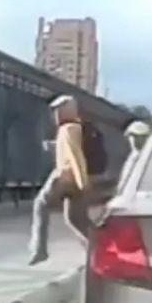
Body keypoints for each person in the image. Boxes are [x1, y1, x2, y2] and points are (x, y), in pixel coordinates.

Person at [27, 95, 93, 266]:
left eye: (60, 110)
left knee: (40, 204)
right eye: (55, 111)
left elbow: (76, 155)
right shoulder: (74, 128)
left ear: (69, 110)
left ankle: (39, 249)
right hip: (73, 179)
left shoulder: (68, 129)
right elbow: (69, 149)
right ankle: (98, 248)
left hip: (64, 176)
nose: (56, 115)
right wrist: (54, 146)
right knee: (75, 219)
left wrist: (82, 181)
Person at [117, 120, 152, 190]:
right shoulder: (133, 155)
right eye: (132, 136)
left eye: (140, 136)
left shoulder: (150, 157)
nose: (134, 140)